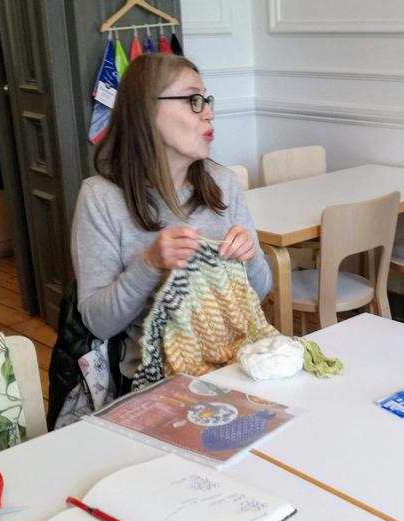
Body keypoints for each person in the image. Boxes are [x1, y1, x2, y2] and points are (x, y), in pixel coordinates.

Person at [71, 53, 271, 390]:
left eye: (206, 99)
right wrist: (149, 264)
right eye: (193, 100)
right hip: (156, 385)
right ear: (147, 111)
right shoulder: (100, 198)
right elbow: (98, 322)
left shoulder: (223, 184)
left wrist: (249, 258)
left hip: (238, 367)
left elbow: (261, 290)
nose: (208, 112)